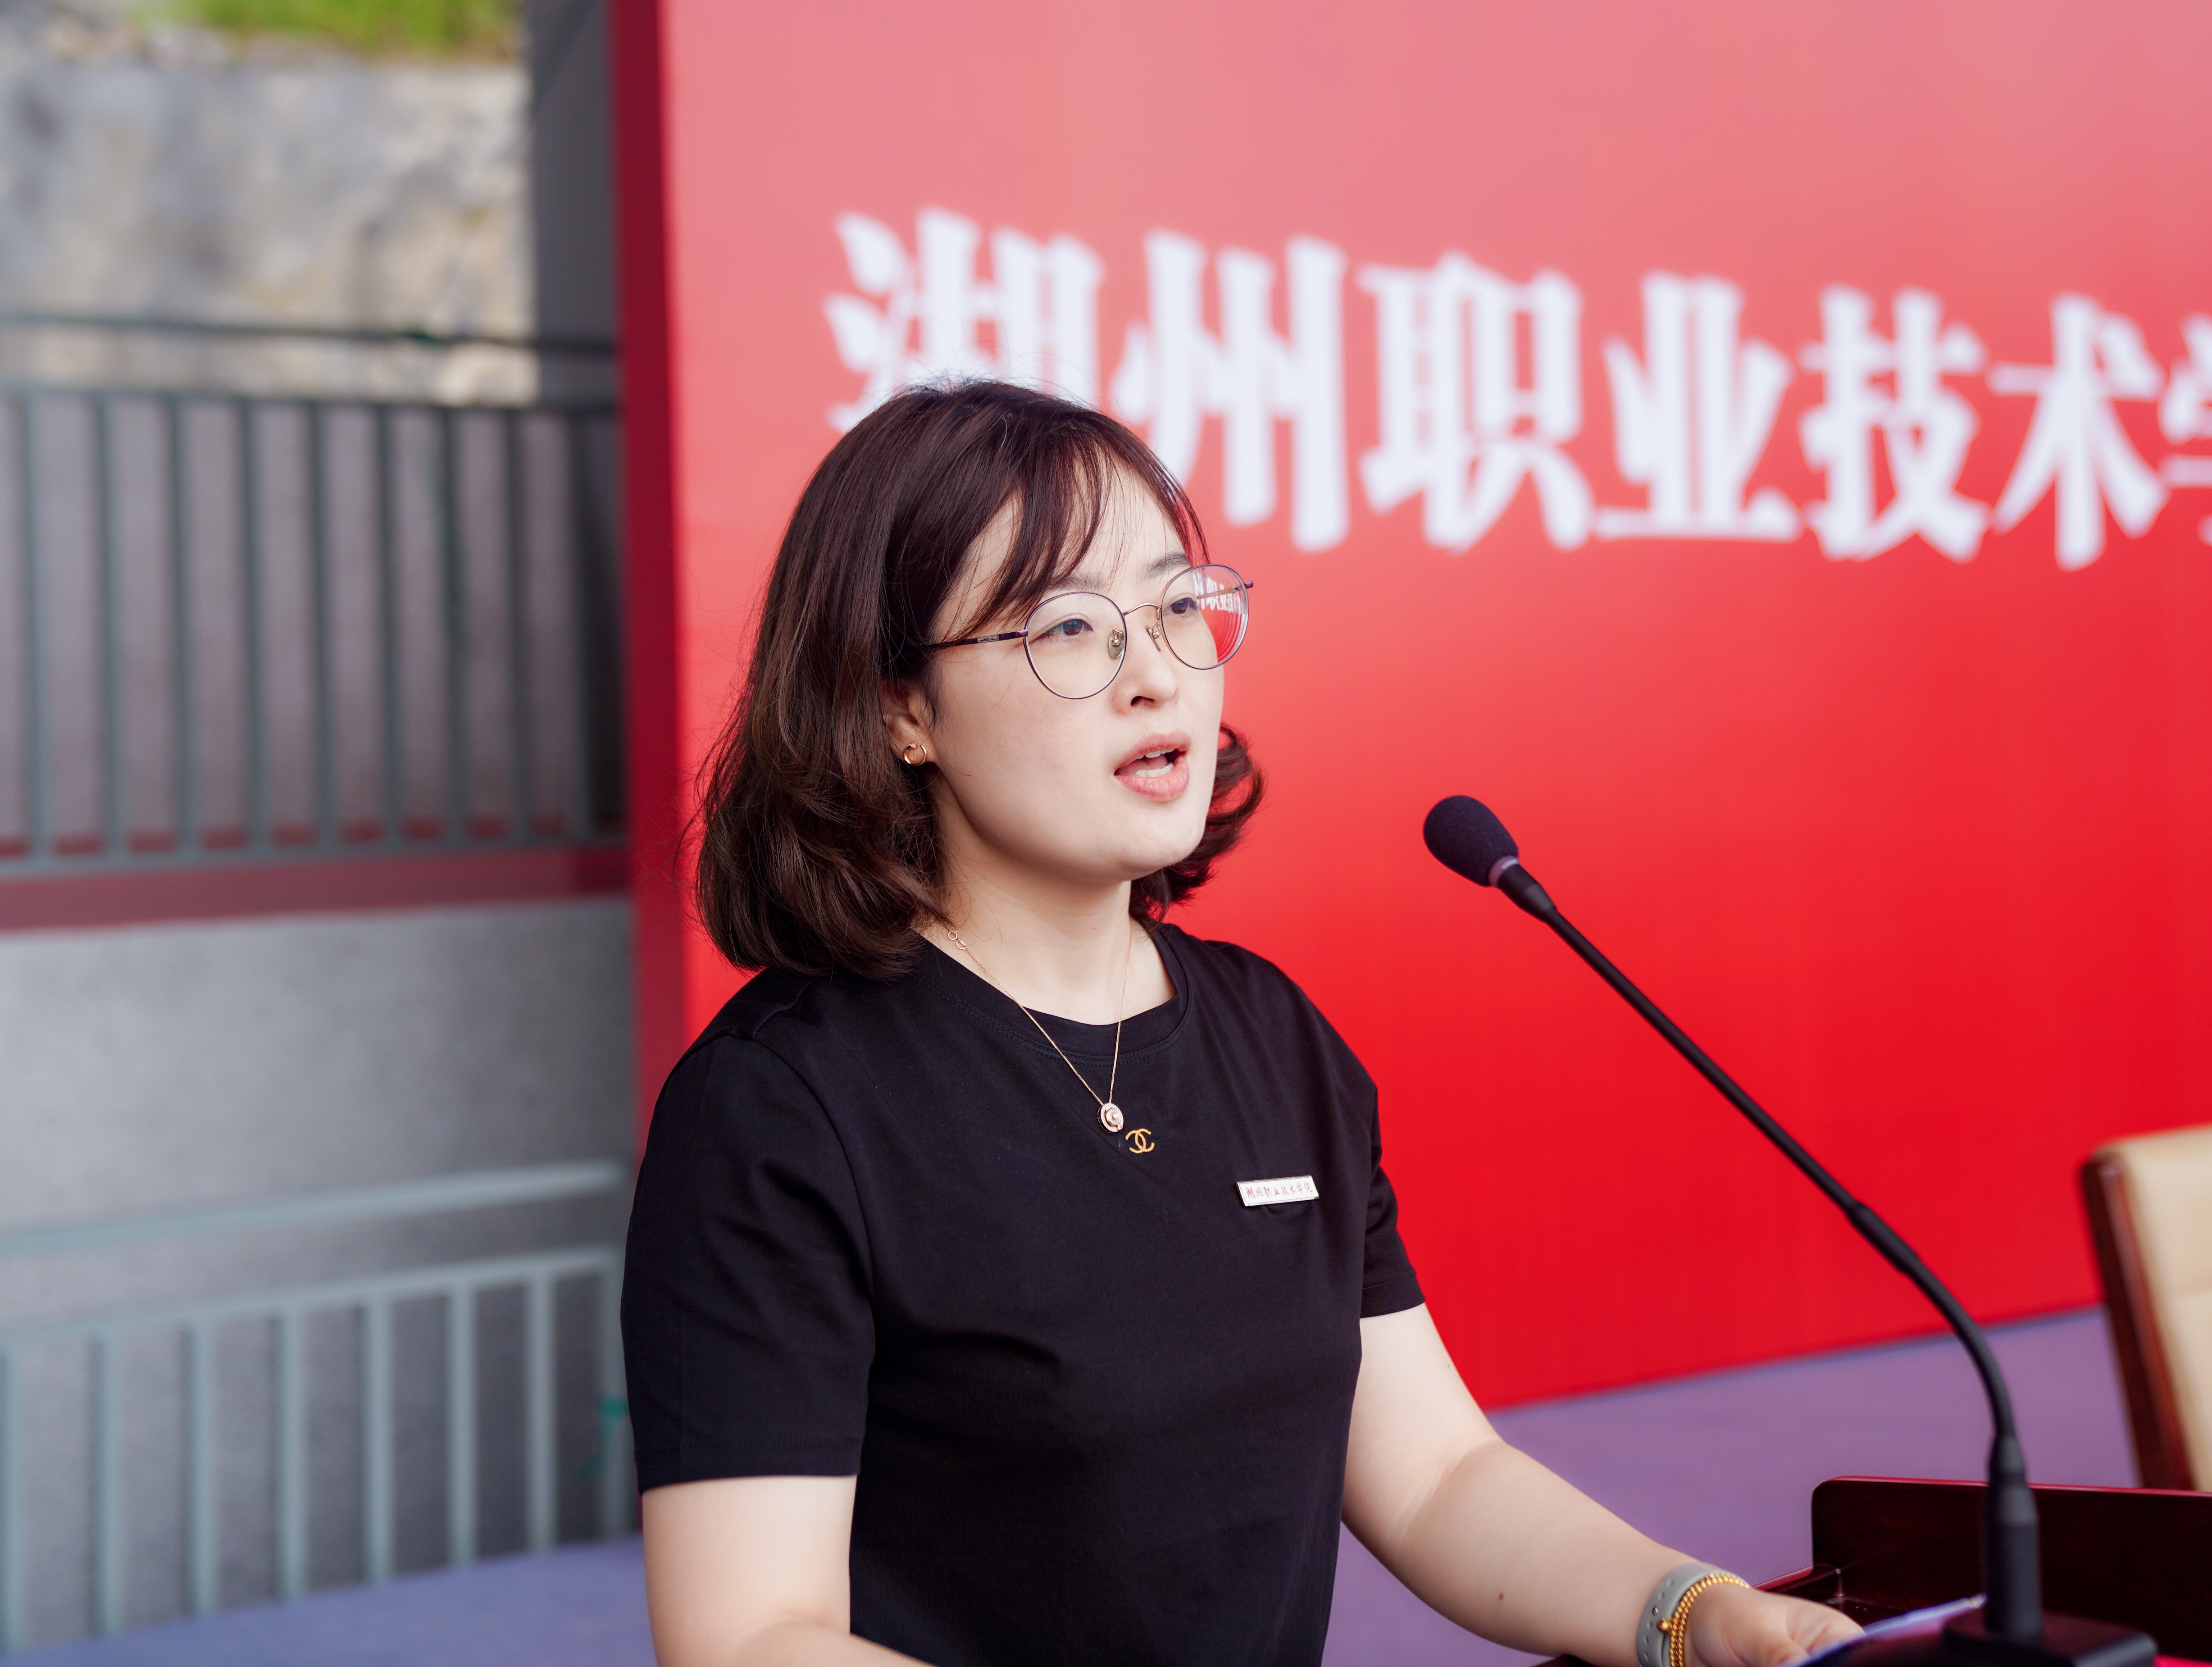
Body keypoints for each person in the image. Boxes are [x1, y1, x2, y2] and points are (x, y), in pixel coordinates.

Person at [621, 381, 1863, 1667]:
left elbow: (1436, 1475)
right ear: (901, 710)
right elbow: (748, 1636)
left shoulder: (1274, 1035)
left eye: (1177, 607)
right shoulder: (779, 1107)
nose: (1158, 673)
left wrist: (1688, 1613)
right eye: (1070, 627)